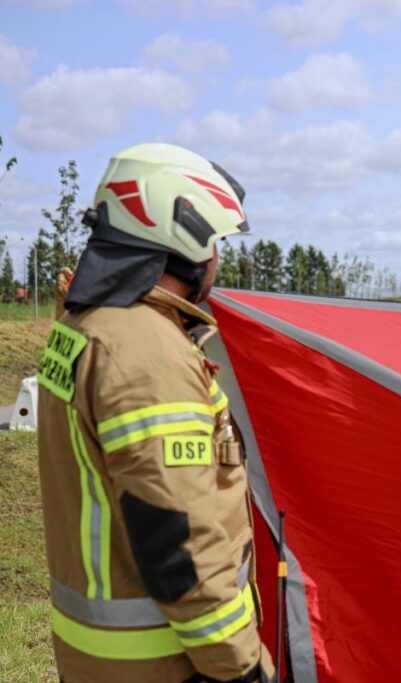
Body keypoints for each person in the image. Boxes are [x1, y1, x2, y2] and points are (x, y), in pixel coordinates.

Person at [36, 143, 274, 683]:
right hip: (168, 665)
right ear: (181, 235)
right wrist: (242, 668)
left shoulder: (88, 326)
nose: (217, 258)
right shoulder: (146, 353)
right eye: (214, 241)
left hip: (103, 660)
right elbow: (179, 541)